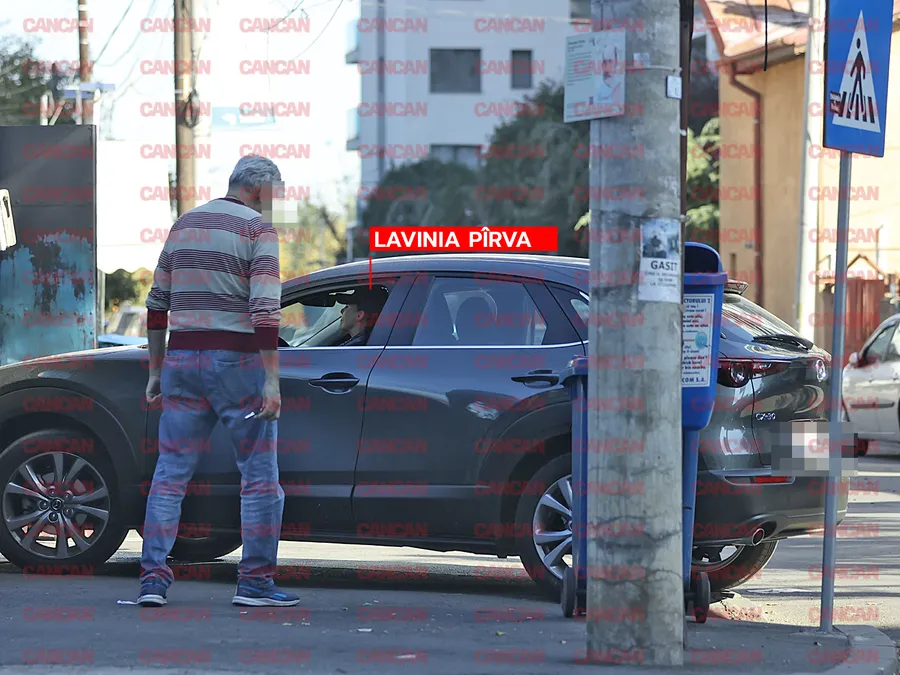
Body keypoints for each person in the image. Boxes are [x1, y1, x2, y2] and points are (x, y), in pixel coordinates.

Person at [138, 155, 300, 608]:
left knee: (170, 474)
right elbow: (265, 311)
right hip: (238, 364)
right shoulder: (258, 230)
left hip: (181, 361)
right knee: (260, 478)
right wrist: (272, 381)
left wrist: (156, 370)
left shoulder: (184, 225)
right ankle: (255, 583)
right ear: (260, 189)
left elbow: (156, 305)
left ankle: (152, 581)